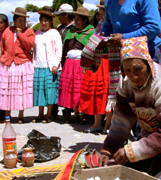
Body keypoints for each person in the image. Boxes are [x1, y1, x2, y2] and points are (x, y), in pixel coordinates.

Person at [99, 36, 161, 177]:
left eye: (138, 69)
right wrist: (108, 149)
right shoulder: (124, 83)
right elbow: (122, 121)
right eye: (127, 70)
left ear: (149, 64)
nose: (134, 76)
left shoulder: (159, 84)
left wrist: (131, 151)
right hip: (151, 140)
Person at [58, 7, 94, 123]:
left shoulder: (91, 32)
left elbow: (92, 51)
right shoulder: (70, 31)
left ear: (85, 21)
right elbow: (65, 48)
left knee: (81, 89)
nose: (76, 21)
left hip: (82, 65)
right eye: (76, 19)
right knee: (73, 89)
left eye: (79, 19)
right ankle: (75, 115)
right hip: (69, 64)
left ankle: (83, 115)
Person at [0, 7, 35, 123]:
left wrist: (20, 35)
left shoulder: (29, 32)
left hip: (22, 63)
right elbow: (2, 46)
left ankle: (21, 115)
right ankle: (7, 115)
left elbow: (29, 45)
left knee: (21, 90)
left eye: (24, 20)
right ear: (14, 21)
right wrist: (2, 57)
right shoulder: (7, 31)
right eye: (20, 20)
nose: (22, 23)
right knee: (8, 90)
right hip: (9, 63)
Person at [32, 6, 62, 123]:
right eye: (42, 20)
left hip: (50, 67)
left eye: (46, 21)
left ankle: (48, 115)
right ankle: (40, 114)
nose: (43, 23)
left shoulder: (54, 33)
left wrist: (55, 64)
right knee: (40, 90)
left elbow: (58, 50)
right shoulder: (37, 33)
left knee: (49, 91)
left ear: (51, 22)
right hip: (39, 66)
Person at [54, 3, 75, 121]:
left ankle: (68, 111)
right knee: (58, 86)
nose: (59, 18)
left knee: (69, 87)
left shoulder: (74, 28)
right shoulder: (59, 28)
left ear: (66, 15)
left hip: (69, 61)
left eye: (60, 15)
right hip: (58, 61)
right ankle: (54, 111)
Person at [0, 13, 8, 122]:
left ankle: (2, 114)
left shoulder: (8, 33)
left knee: (2, 90)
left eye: (1, 22)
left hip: (4, 63)